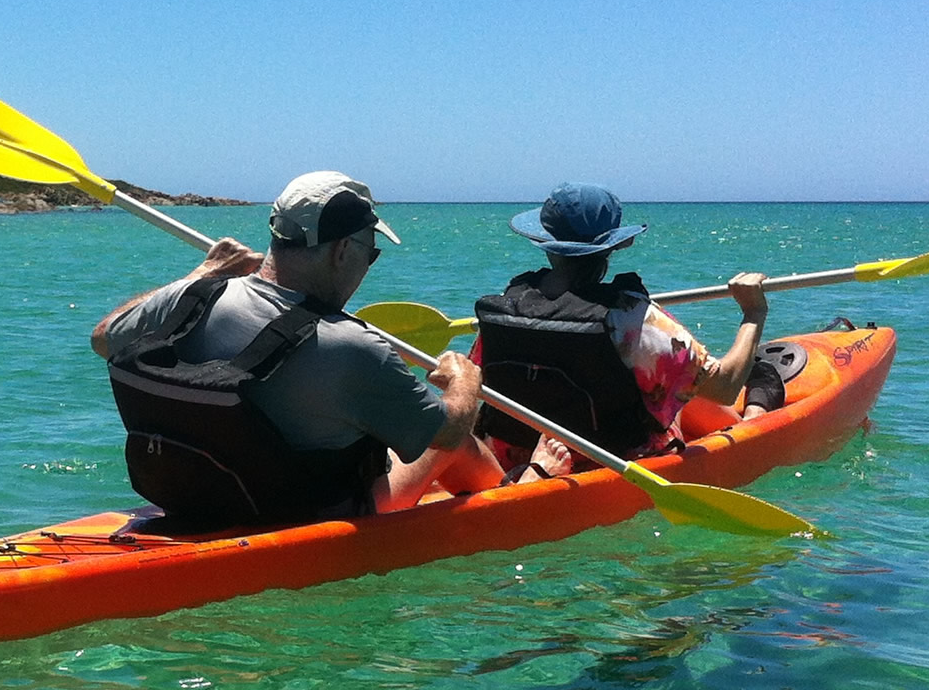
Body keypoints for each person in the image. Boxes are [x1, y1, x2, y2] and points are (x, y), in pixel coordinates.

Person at [91, 171, 502, 528]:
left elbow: (105, 337)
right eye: (370, 253)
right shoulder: (353, 346)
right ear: (342, 250)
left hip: (196, 502)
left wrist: (201, 274)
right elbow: (445, 432)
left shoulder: (191, 297)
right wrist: (464, 383)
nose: (367, 265)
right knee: (459, 442)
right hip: (306, 514)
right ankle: (526, 493)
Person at [473, 183, 772, 477]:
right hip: (611, 460)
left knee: (674, 384)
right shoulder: (628, 317)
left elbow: (477, 380)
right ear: (616, 244)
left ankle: (750, 414)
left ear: (545, 240)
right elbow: (726, 387)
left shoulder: (505, 306)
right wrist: (753, 313)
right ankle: (755, 415)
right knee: (687, 388)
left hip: (518, 459)